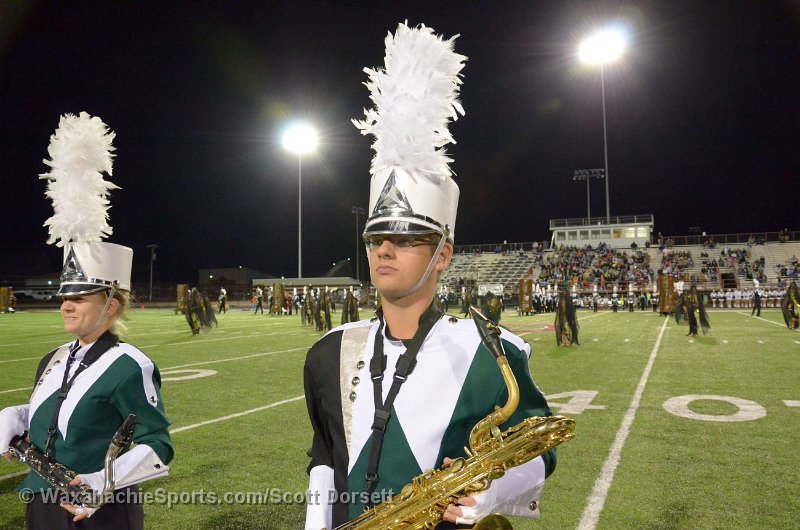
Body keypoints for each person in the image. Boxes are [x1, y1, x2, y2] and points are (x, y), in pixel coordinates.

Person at [304, 23, 556, 530]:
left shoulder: (492, 350)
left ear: (443, 255)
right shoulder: (329, 351)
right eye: (376, 238)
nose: (384, 249)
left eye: (406, 239)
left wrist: (493, 491)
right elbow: (324, 456)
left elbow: (540, 448)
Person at [0, 112, 172, 529]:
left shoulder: (129, 365)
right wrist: (18, 416)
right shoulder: (54, 357)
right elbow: (66, 412)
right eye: (64, 298)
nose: (66, 306)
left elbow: (157, 444)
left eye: (79, 298)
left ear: (111, 306)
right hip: (41, 502)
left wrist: (102, 482)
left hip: (99, 510)